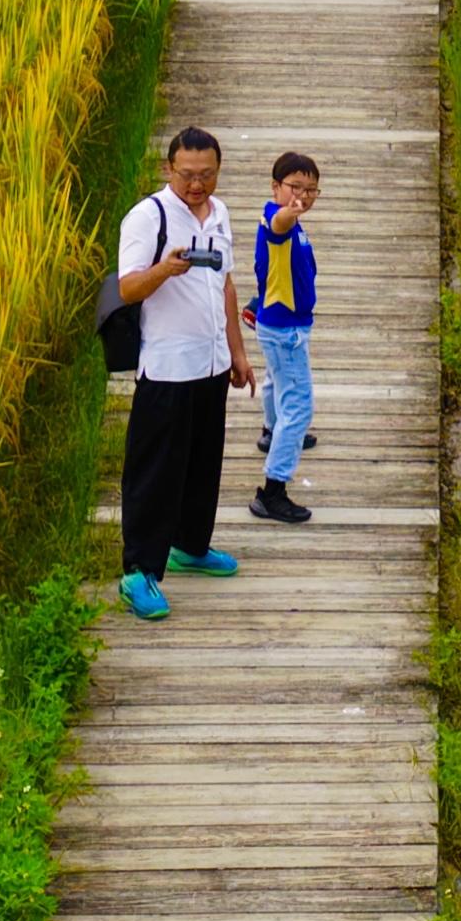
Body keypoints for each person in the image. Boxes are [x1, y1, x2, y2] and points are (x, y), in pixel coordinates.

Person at [108, 129, 246, 617]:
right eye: (187, 175)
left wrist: (238, 353)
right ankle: (137, 572)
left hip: (211, 363)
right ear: (169, 169)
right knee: (155, 472)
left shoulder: (221, 212)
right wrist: (165, 270)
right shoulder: (149, 217)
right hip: (167, 367)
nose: (197, 184)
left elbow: (225, 283)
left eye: (206, 174)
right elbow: (126, 288)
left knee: (203, 462)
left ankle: (190, 545)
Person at [243, 152, 323, 524]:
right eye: (295, 187)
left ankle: (271, 431)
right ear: (275, 187)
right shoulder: (281, 222)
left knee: (276, 380)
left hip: (278, 324)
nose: (302, 197)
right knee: (300, 408)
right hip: (286, 330)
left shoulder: (292, 224)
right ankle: (272, 491)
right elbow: (280, 222)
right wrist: (290, 211)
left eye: (310, 190)